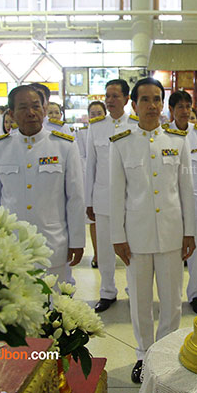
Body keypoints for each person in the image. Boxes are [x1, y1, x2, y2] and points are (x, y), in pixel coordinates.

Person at [109, 77, 195, 384]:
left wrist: (190, 232)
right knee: (141, 301)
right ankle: (144, 354)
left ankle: (167, 352)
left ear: (163, 103)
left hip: (172, 234)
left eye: (157, 99)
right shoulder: (121, 144)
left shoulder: (177, 140)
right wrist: (117, 237)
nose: (152, 105)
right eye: (144, 99)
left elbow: (187, 190)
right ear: (133, 105)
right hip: (137, 236)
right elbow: (116, 195)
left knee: (172, 299)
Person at [0, 85, 85, 283]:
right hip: (11, 245)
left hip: (52, 242)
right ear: (11, 113)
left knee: (54, 306)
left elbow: (75, 198)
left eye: (36, 106)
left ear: (44, 110)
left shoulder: (64, 145)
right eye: (22, 107)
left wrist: (77, 241)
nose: (30, 113)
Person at [85, 80, 139, 313]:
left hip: (132, 199)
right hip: (104, 199)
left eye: (115, 96)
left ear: (127, 99)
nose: (110, 100)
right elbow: (91, 166)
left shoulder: (137, 125)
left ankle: (134, 290)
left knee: (133, 248)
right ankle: (107, 292)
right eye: (107, 96)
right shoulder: (96, 127)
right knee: (106, 249)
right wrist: (89, 201)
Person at [166, 90, 197, 314]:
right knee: (173, 251)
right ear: (171, 110)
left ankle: (196, 293)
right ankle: (171, 296)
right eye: (179, 107)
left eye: (187, 106)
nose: (184, 111)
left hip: (196, 201)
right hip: (171, 202)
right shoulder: (163, 135)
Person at [83, 100, 107, 269]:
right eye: (93, 114)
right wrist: (88, 199)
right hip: (100, 191)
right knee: (97, 226)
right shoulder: (89, 131)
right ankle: (98, 255)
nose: (96, 117)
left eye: (100, 113)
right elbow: (89, 165)